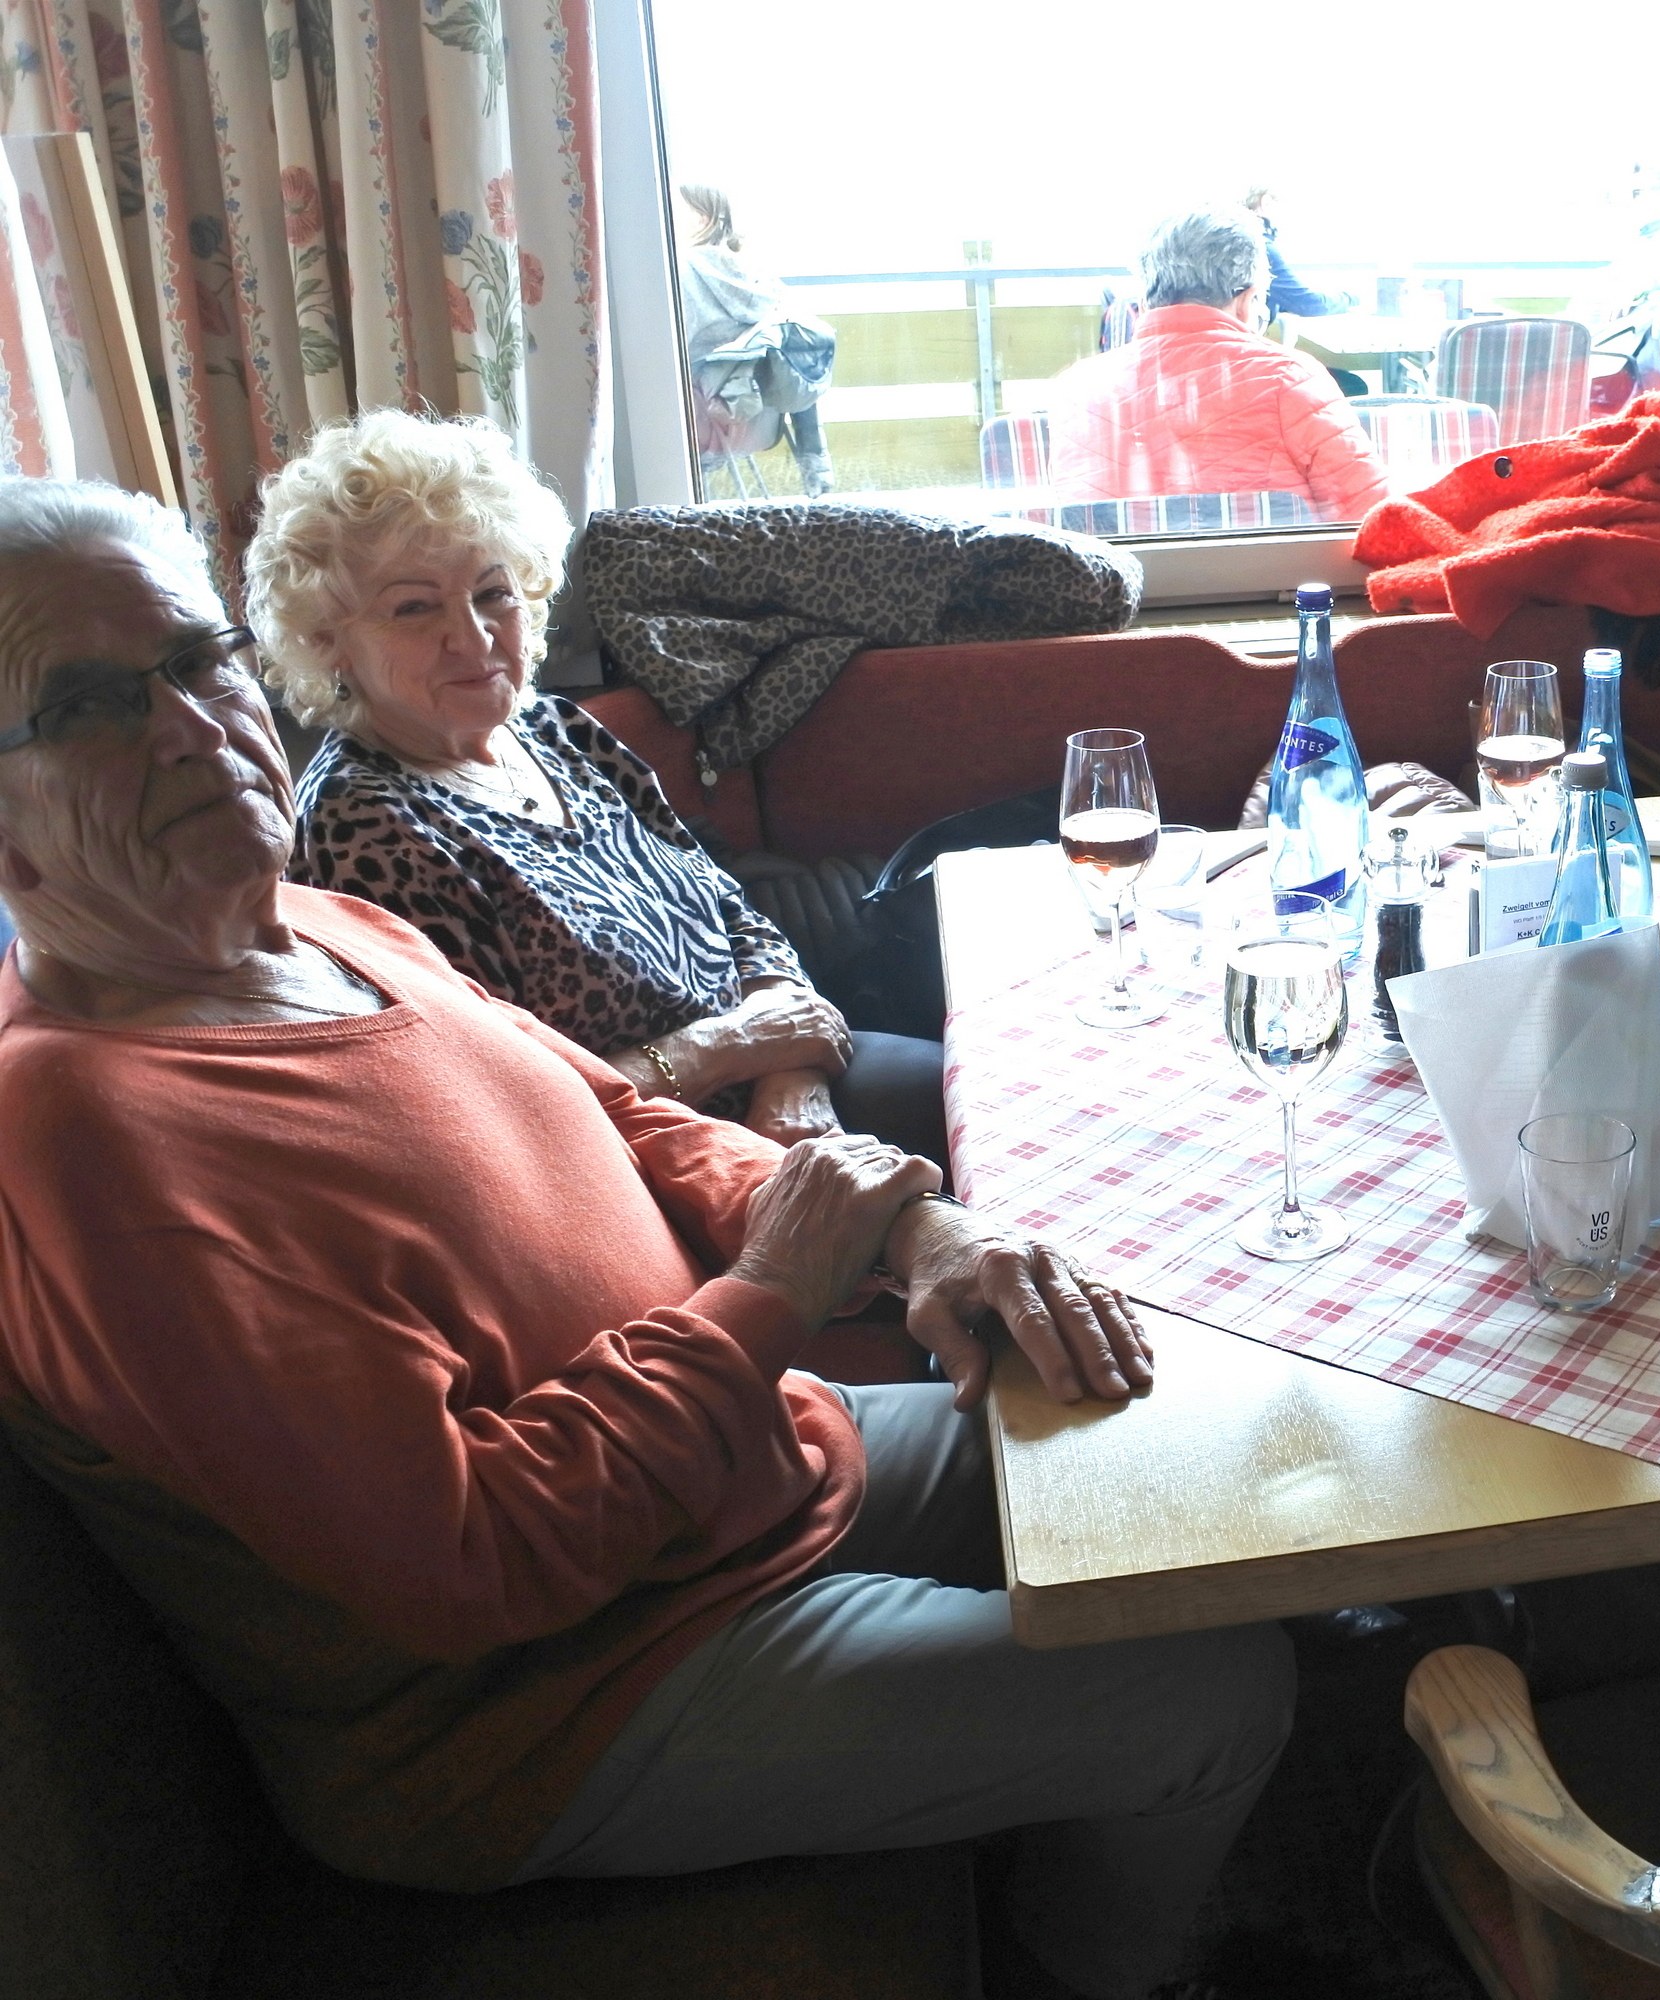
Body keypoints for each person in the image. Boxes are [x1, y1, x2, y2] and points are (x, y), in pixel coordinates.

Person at [0, 479, 1289, 2000]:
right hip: (566, 1701)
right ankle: (1096, 1971)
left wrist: (913, 1228)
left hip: (740, 1471)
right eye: (88, 704)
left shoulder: (318, 921)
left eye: (196, 658)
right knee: (1212, 1689)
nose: (188, 727)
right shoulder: (83, 1134)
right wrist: (773, 1292)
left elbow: (625, 1119)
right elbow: (470, 1558)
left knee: (1182, 1453)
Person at [250, 410, 948, 1163]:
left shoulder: (551, 728)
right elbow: (506, 1113)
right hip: (646, 1160)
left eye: (492, 593)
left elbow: (729, 907)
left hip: (774, 1084)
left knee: (982, 1090)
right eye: (414, 608)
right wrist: (740, 1046)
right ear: (329, 642)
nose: (474, 637)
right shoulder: (362, 828)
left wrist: (790, 1080)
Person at [1051, 206, 1389, 519]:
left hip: (1116, 568)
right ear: (1247, 299)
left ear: (1145, 299)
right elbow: (1374, 519)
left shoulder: (1076, 388)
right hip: (1268, 567)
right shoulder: (1291, 378)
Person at [677, 183, 837, 497]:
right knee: (791, 352)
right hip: (759, 424)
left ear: (703, 218)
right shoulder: (757, 274)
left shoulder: (681, 270)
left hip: (705, 425)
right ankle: (816, 463)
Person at [1242, 184, 1350, 320]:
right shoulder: (1259, 248)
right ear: (1266, 203)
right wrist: (1350, 299)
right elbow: (1308, 304)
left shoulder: (1232, 242)